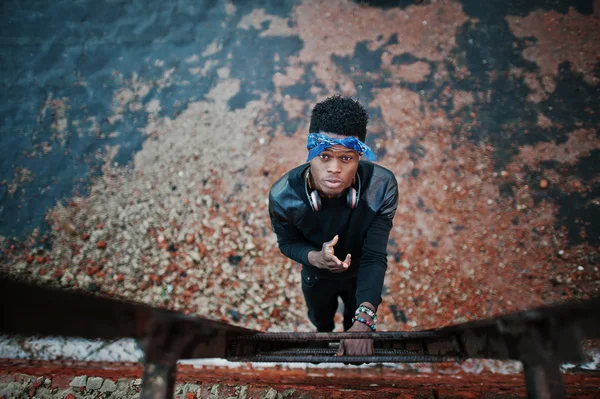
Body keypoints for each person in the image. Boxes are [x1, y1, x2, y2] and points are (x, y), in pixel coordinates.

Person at [268, 95, 399, 356]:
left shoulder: (381, 187)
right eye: (324, 156)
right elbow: (287, 242)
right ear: (310, 153)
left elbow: (374, 255)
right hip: (316, 275)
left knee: (354, 319)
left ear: (359, 156)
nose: (334, 169)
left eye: (346, 159)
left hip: (360, 276)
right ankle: (323, 341)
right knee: (321, 320)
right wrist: (315, 257)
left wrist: (364, 321)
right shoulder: (284, 195)